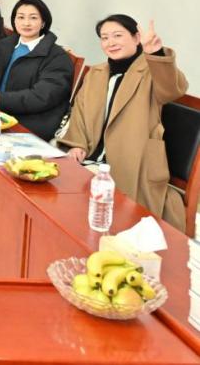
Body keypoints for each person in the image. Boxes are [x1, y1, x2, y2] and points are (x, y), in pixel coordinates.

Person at [57, 16, 188, 229]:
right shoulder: (96, 73)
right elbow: (80, 112)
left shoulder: (151, 71)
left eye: (118, 36)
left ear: (136, 38)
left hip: (133, 164)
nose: (111, 42)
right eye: (105, 38)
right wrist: (77, 144)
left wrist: (155, 54)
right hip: (91, 160)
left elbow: (172, 89)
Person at [0, 0, 73, 142]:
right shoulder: (4, 45)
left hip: (31, 123)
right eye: (21, 17)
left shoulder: (57, 57)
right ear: (14, 21)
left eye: (33, 18)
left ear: (43, 22)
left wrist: (0, 99)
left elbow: (42, 96)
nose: (26, 23)